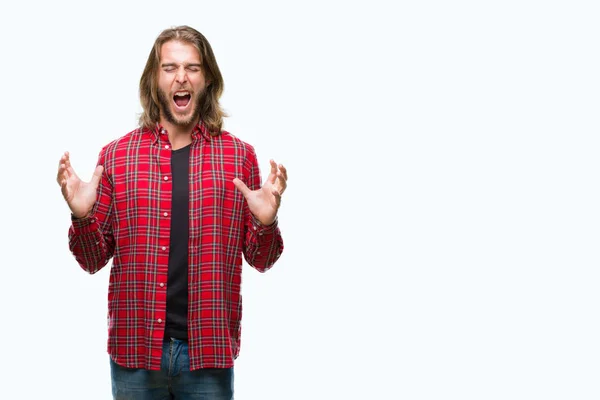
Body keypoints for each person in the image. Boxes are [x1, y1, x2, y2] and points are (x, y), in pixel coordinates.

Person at [56, 25, 287, 399]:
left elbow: (262, 260)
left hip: (208, 355)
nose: (181, 77)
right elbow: (92, 260)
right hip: (135, 354)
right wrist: (82, 216)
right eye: (169, 67)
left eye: (192, 67)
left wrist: (266, 222)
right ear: (154, 78)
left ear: (207, 77)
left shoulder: (239, 157)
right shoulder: (116, 157)